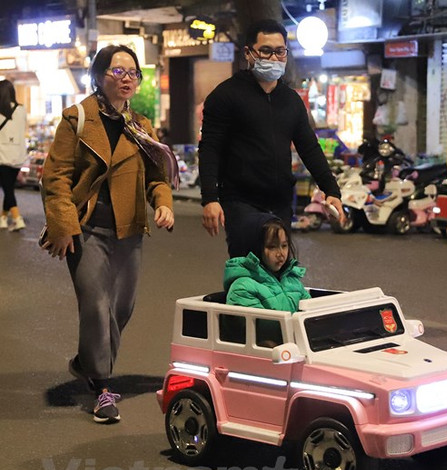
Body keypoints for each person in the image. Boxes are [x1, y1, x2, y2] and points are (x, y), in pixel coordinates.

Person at [40, 44, 175, 424]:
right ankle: (102, 388)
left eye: (133, 72)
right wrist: (64, 227)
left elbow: (156, 177)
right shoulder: (77, 119)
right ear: (99, 76)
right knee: (96, 308)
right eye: (118, 71)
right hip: (86, 231)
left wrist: (162, 202)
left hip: (129, 229)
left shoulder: (141, 125)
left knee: (122, 309)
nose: (127, 78)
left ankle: (85, 361)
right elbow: (56, 178)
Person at [199, 19, 344, 257]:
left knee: (280, 273)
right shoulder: (225, 96)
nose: (274, 58)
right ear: (249, 53)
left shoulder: (291, 101)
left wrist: (332, 191)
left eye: (280, 51)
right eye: (266, 51)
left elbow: (309, 147)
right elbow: (210, 148)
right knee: (248, 275)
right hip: (241, 202)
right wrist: (210, 198)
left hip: (280, 203)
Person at [223, 212, 310, 312]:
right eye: (272, 247)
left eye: (284, 246)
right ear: (255, 248)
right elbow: (265, 325)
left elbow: (312, 314)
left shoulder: (293, 281)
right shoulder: (242, 288)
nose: (281, 253)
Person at [0, 79, 28, 232]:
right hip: (18, 156)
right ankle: (3, 218)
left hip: (2, 157)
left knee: (8, 189)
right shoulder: (21, 109)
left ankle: (17, 219)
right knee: (8, 187)